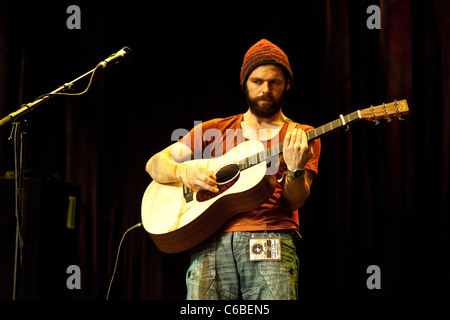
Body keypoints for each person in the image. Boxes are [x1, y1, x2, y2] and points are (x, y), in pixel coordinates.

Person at [146, 39, 321, 300]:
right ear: (244, 84)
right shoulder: (215, 129)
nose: (266, 89)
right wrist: (183, 173)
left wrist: (295, 171)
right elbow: (155, 163)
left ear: (287, 85)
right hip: (210, 240)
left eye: (274, 82)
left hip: (267, 238)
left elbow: (296, 199)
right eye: (257, 81)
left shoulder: (300, 135)